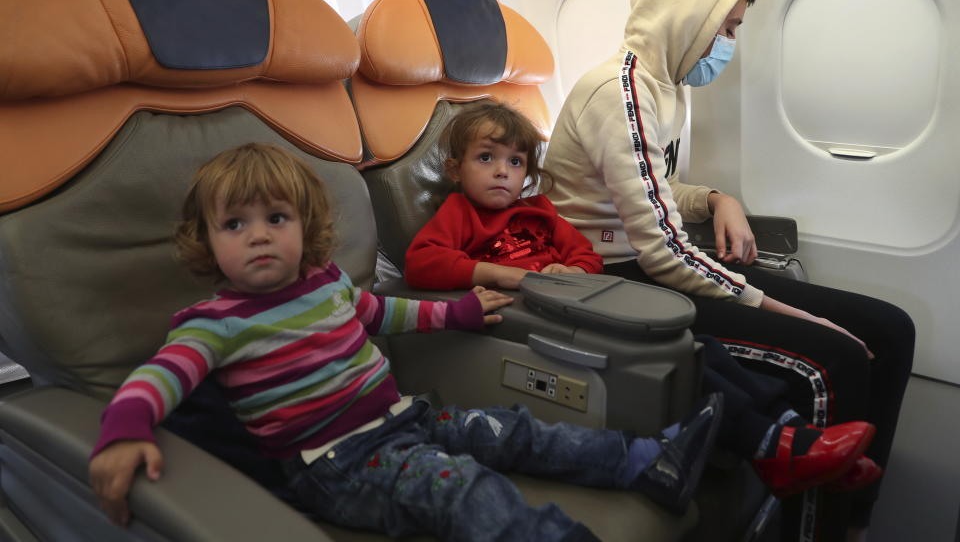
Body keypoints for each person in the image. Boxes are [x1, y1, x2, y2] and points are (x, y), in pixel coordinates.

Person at [88, 142, 726, 542]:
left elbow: (382, 313)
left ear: (304, 227)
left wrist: (460, 316)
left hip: (405, 417)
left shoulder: (326, 283)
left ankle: (646, 463)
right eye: (235, 224)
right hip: (333, 465)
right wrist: (123, 432)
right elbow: (156, 378)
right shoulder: (214, 322)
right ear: (207, 240)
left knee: (513, 429)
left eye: (276, 219)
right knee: (461, 487)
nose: (258, 236)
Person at [541, 0, 915, 541]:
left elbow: (655, 186)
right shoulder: (619, 92)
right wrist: (775, 304)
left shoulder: (663, 87)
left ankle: (854, 522)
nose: (730, 46)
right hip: (610, 278)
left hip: (643, 262)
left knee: (892, 329)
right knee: (837, 355)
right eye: (728, 28)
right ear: (685, 16)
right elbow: (660, 248)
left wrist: (717, 199)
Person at [405, 100, 881, 500]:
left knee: (701, 346)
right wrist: (506, 275)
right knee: (677, 362)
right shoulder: (459, 213)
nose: (502, 173)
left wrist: (568, 270)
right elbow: (422, 263)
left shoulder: (540, 211)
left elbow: (586, 257)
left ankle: (793, 434)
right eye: (486, 158)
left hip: (581, 304)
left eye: (515, 162)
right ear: (455, 168)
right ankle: (773, 445)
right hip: (534, 323)